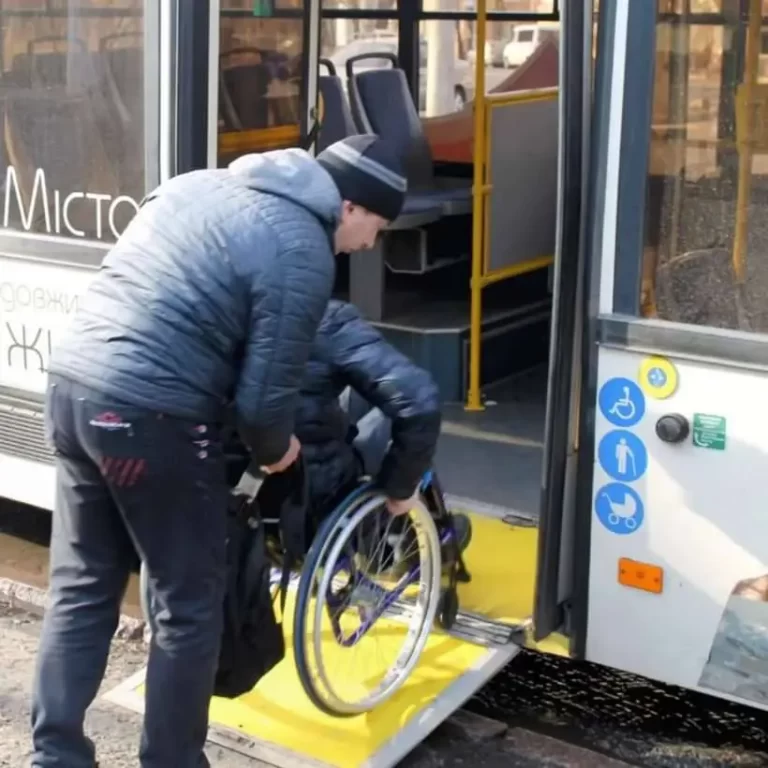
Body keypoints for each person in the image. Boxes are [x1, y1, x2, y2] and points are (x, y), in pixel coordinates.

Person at [30, 135, 408, 768]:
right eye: (377, 225)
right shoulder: (302, 248)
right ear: (349, 206)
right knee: (189, 606)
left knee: (83, 585)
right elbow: (264, 403)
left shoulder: (196, 185)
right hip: (152, 419)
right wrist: (278, 451)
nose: (371, 243)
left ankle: (55, 756)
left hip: (70, 391)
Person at [287, 299, 472, 562]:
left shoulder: (226, 315)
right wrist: (401, 489)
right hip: (321, 497)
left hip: (262, 501)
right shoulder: (325, 319)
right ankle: (408, 535)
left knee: (350, 397)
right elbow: (419, 402)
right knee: (403, 417)